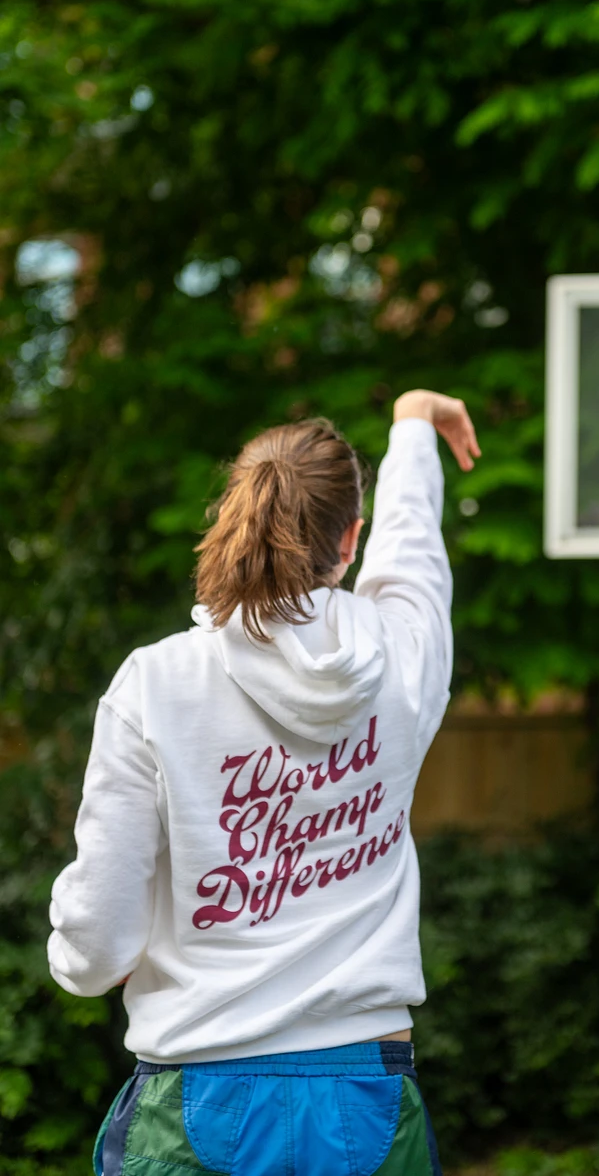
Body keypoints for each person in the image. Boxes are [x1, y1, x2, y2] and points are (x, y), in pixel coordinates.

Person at [47, 388, 480, 1176]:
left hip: (194, 1094)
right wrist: (413, 426)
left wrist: (74, 950)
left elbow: (96, 948)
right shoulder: (403, 660)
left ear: (231, 518)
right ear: (351, 538)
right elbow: (414, 554)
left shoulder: (155, 682)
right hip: (366, 1095)